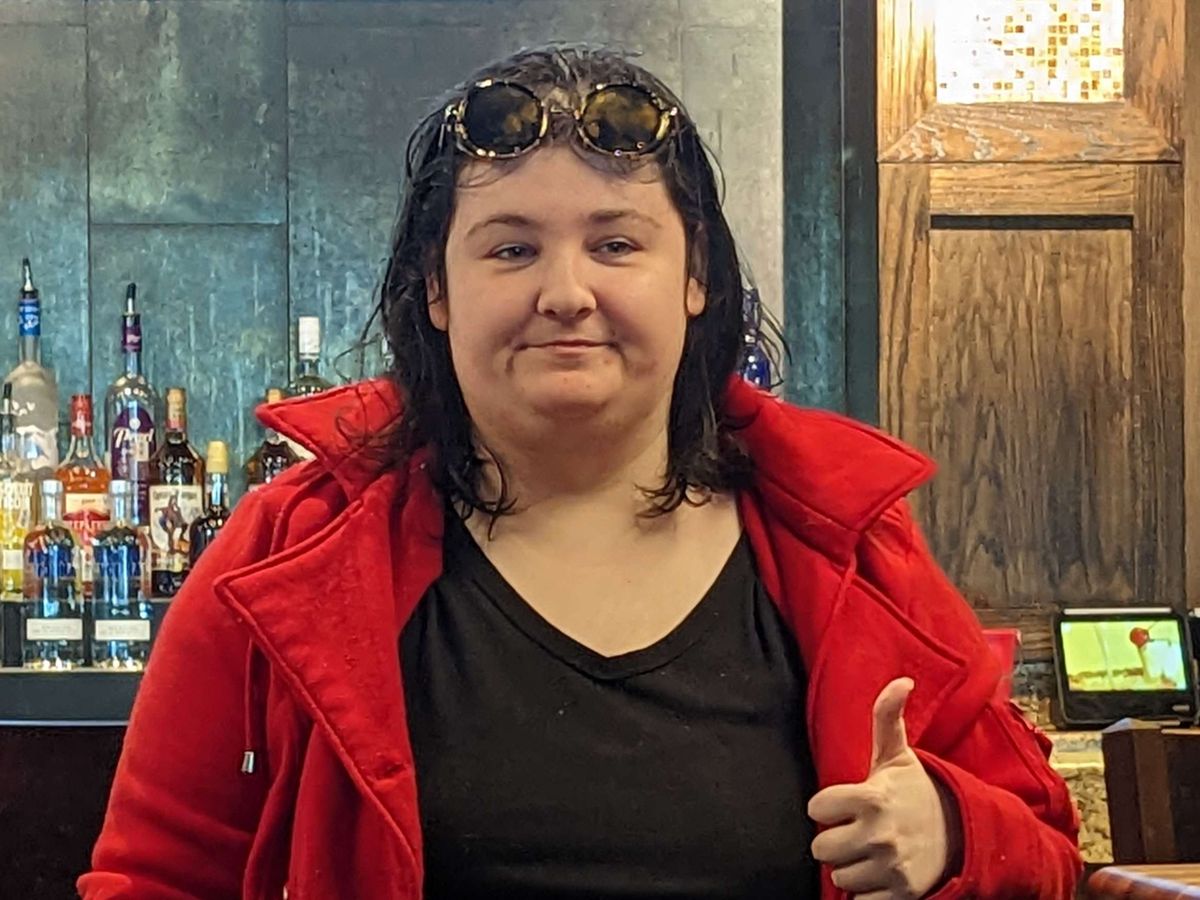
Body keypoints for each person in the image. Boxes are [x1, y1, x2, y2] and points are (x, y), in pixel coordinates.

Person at [79, 45, 1080, 900]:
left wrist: (953, 833)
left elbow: (1046, 846)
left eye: (616, 244)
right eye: (512, 249)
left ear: (695, 277)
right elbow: (153, 878)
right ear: (436, 291)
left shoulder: (852, 549)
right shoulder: (289, 551)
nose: (566, 292)